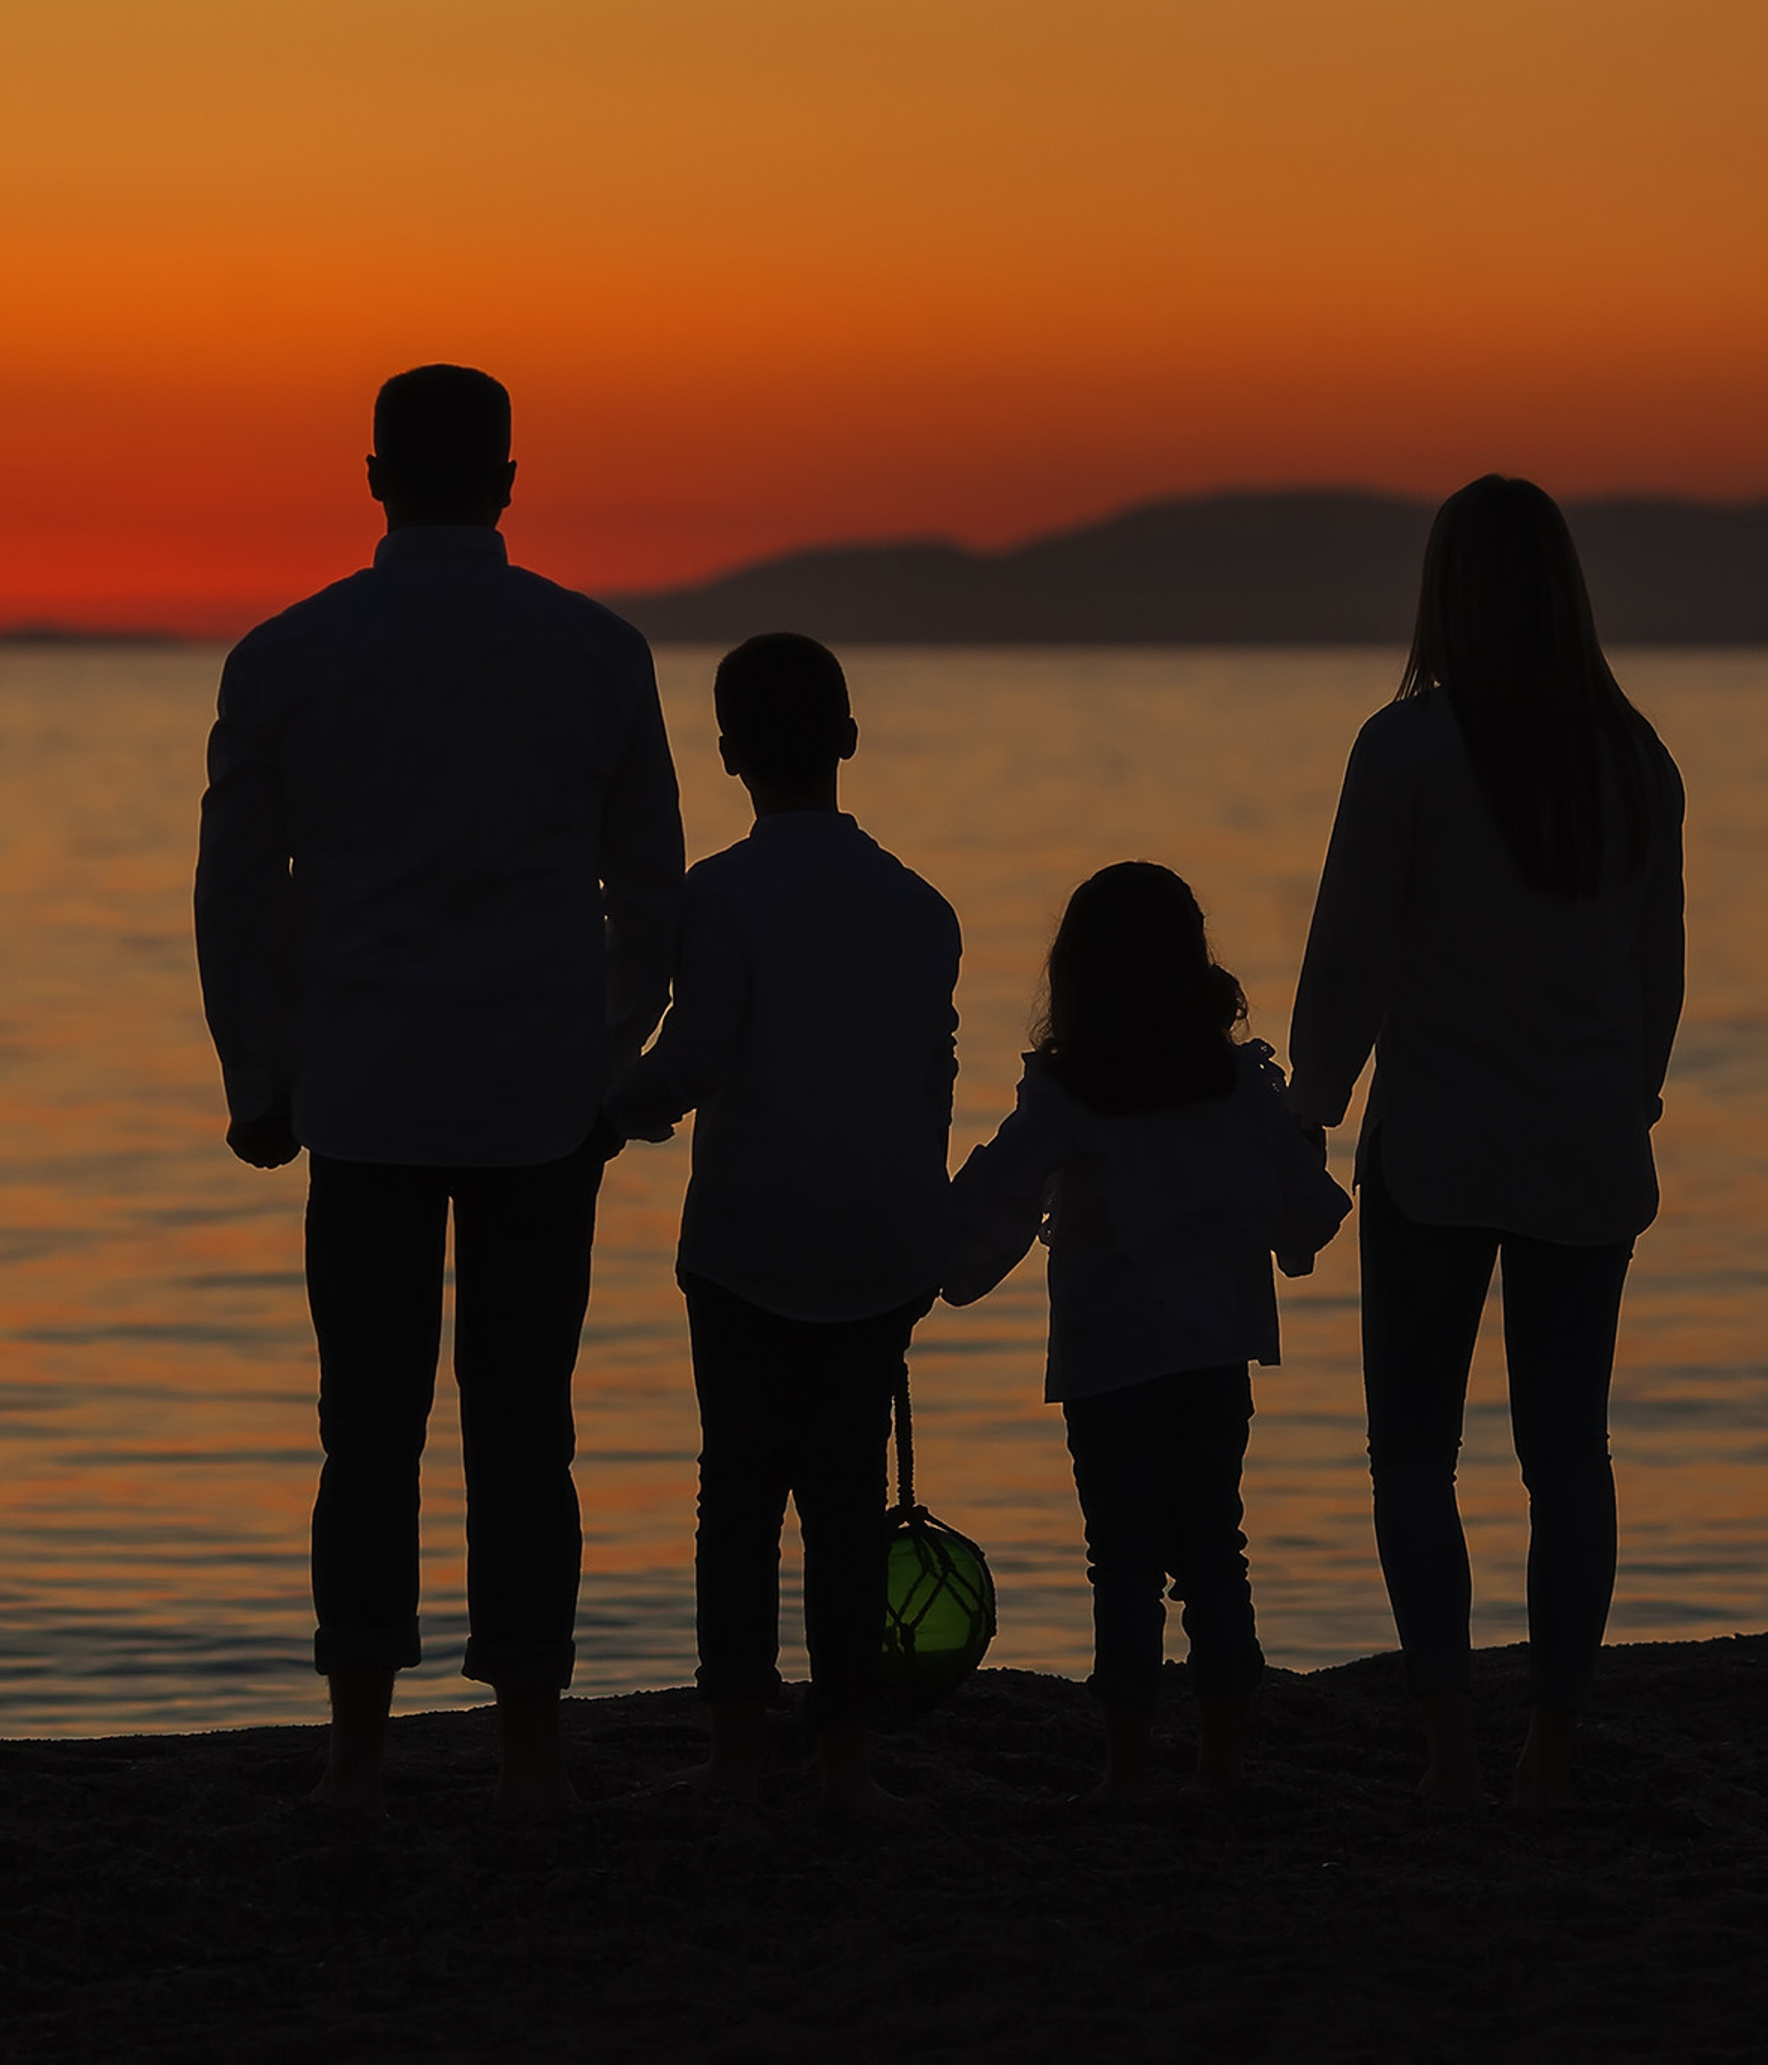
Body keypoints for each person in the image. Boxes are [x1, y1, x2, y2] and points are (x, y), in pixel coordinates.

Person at [193, 365, 685, 1814]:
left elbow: (236, 897)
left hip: (361, 1091)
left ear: (373, 478)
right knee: (527, 1425)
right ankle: (529, 1745)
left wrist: (257, 1080)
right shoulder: (597, 650)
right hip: (539, 1091)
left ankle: (357, 1750)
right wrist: (609, 1054)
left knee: (367, 1428)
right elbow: (651, 893)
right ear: (509, 481)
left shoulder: (285, 656)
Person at [1288, 474, 1684, 1810]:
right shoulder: (1634, 757)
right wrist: (1632, 1099)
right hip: (1584, 1149)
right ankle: (1550, 1742)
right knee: (1568, 1454)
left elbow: (1347, 955)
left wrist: (1309, 1106)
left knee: (1414, 1451)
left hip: (1437, 1150)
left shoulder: (1406, 750)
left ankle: (1451, 1742)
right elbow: (1657, 973)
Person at [611, 633, 963, 1819]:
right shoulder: (921, 909)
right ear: (848, 739)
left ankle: (736, 1750)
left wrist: (614, 1108)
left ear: (726, 755)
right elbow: (930, 1079)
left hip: (750, 1238)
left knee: (740, 1493)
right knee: (844, 1499)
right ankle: (846, 1758)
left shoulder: (719, 895)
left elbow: (699, 1052)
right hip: (879, 1235)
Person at [945, 863, 1346, 1800]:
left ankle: (1126, 1767)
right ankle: (1221, 1758)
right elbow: (1307, 1215)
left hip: (1110, 1362)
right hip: (1213, 1352)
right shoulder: (1236, 1085)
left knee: (1121, 1561)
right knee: (1214, 1549)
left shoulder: (1069, 1094)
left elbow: (989, 1210)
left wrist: (923, 1254)